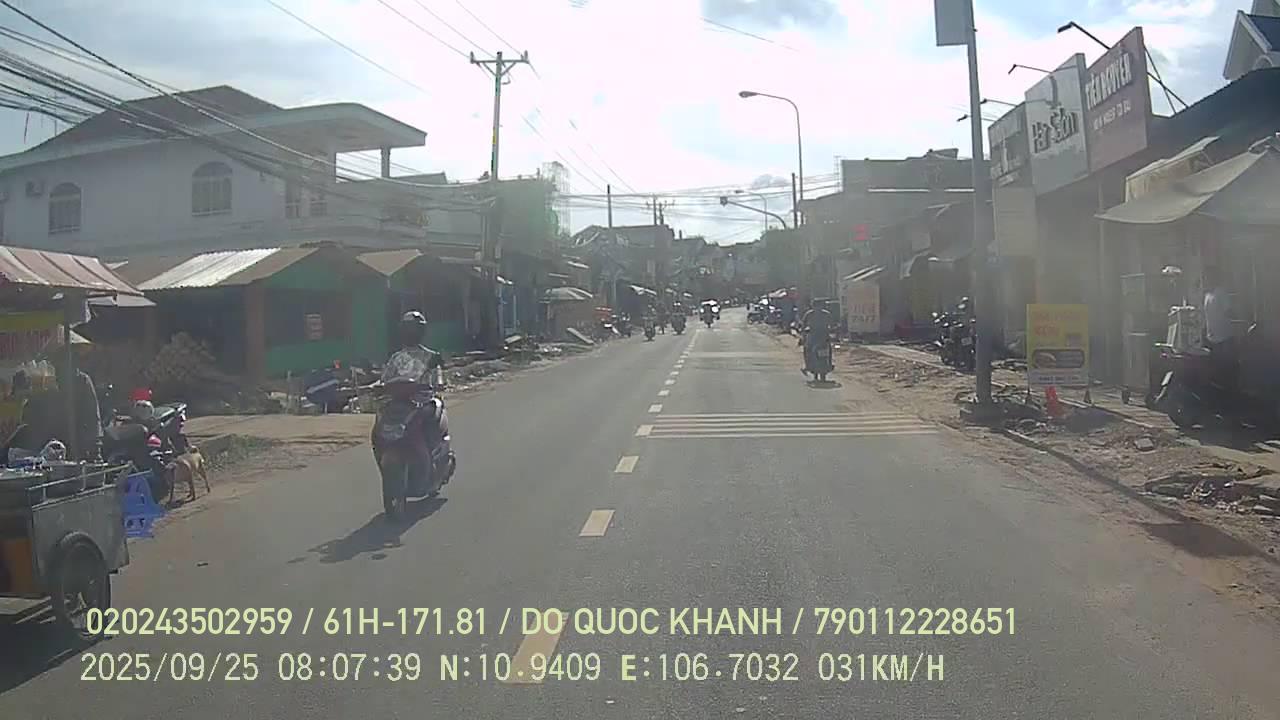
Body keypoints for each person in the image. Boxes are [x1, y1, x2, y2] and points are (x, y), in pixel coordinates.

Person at [374, 311, 445, 459]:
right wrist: (377, 387)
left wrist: (437, 383)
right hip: (399, 402)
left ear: (422, 331)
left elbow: (438, 379)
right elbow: (385, 379)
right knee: (378, 426)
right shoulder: (396, 357)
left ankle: (434, 453)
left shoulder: (432, 356)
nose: (411, 332)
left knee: (431, 418)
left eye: (414, 329)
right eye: (408, 329)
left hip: (423, 402)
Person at [1202, 267, 1236, 390]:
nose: (1205, 280)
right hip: (1211, 336)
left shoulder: (1221, 292)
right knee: (1214, 366)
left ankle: (1228, 389)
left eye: (1208, 277)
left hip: (1223, 336)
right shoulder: (1207, 295)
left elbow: (1229, 311)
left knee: (1224, 365)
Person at [800, 299, 835, 376]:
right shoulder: (810, 314)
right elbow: (803, 325)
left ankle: (828, 364)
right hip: (816, 336)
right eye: (816, 306)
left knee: (828, 350)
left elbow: (832, 325)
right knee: (807, 350)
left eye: (818, 306)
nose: (817, 308)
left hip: (821, 336)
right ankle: (809, 365)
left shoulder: (812, 314)